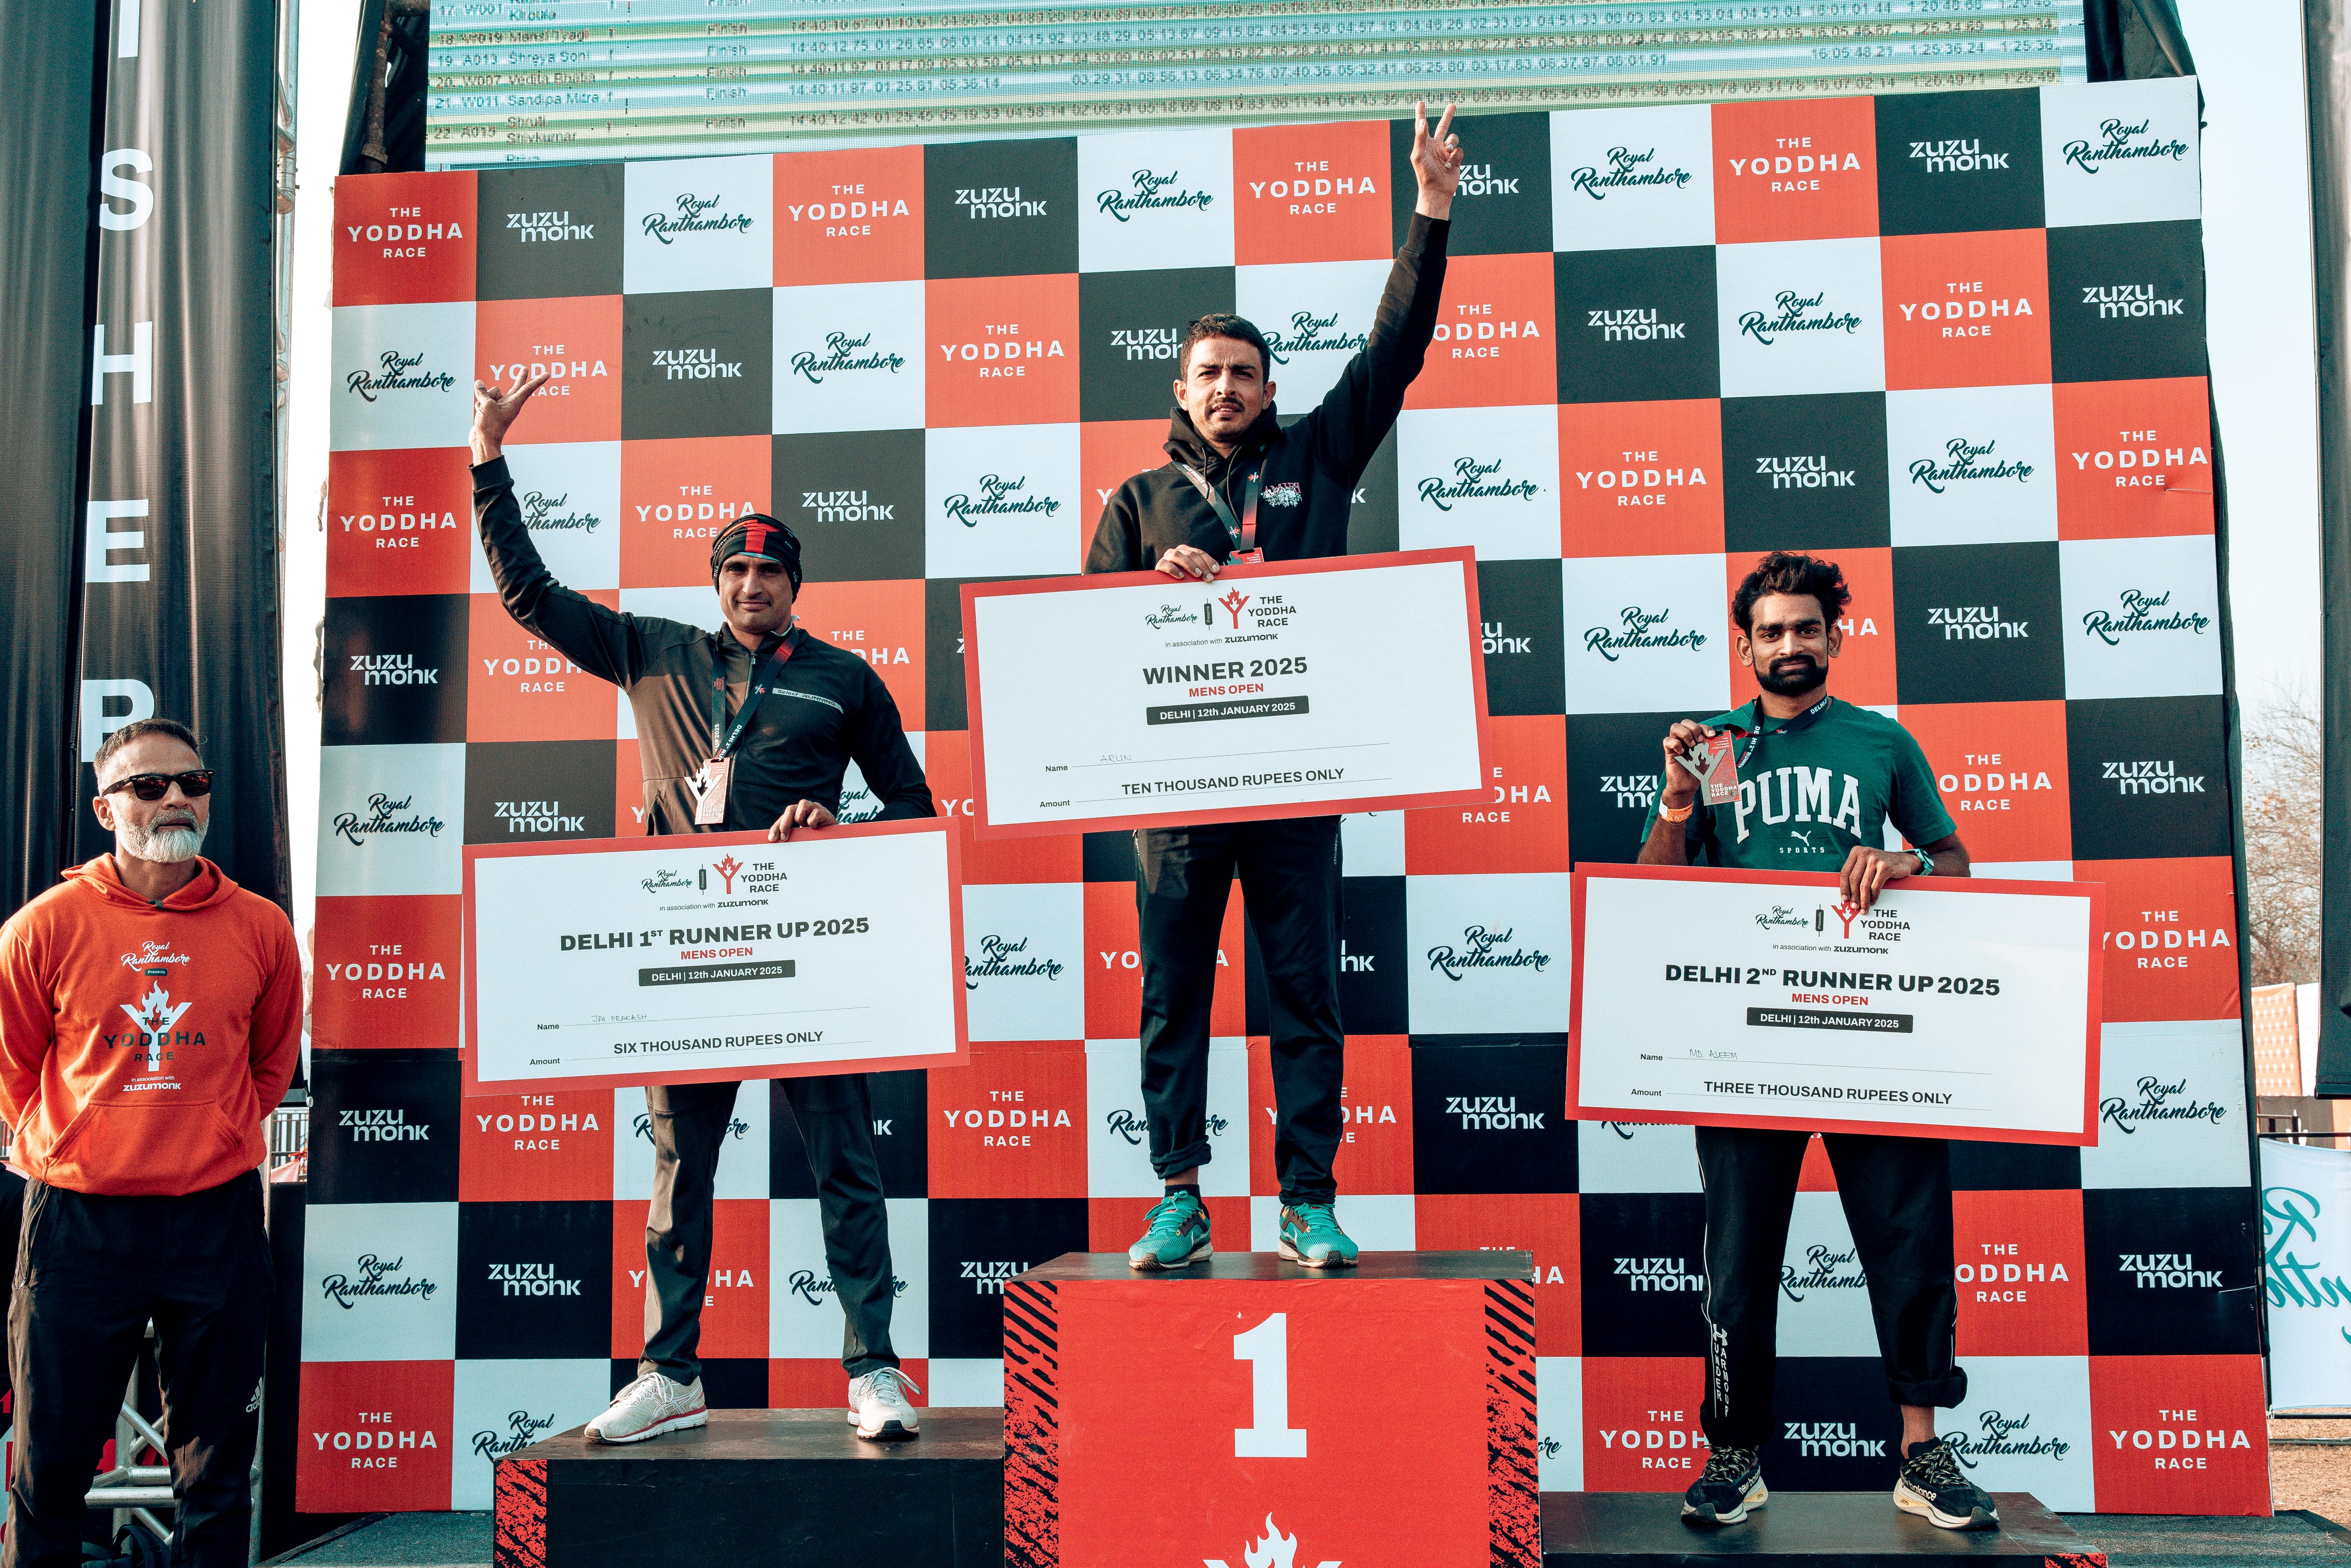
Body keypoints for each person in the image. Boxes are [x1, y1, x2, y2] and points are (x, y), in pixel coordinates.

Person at [469, 374, 931, 1443]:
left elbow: (913, 809)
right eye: (735, 568)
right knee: (681, 1170)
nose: (752, 582)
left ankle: (873, 1369)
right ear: (716, 580)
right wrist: (489, 459)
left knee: (847, 1167)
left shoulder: (846, 679)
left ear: (795, 583)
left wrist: (840, 827)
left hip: (806, 958)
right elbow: (530, 597)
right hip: (685, 956)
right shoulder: (653, 650)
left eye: (770, 569)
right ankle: (671, 1373)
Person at [1085, 103, 1465, 1271]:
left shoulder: (1317, 457)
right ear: (1180, 388)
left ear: (1268, 386)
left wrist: (1431, 210)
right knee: (1172, 998)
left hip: (1296, 780)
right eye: (1208, 374)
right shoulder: (1137, 501)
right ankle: (1179, 1198)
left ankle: (1307, 1200)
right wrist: (1147, 591)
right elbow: (1081, 652)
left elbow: (1394, 351)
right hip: (1177, 794)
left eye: (1244, 374)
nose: (1227, 388)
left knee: (1304, 994)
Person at [1635, 552, 1995, 1532]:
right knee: (1740, 1257)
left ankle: (1922, 1453)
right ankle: (1735, 1452)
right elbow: (1656, 888)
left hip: (1870, 1031)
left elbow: (1957, 862)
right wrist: (1677, 794)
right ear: (1745, 646)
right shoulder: (1713, 750)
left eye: (1806, 627)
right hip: (1747, 1041)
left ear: (1836, 637)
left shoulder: (1880, 739)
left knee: (1910, 1240)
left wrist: (1906, 860)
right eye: (1772, 631)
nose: (1790, 643)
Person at [0, 719, 300, 1568]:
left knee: (216, 1475)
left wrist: (209, 1135)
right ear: (105, 808)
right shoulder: (42, 927)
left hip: (215, 1222)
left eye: (192, 782)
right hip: (79, 1225)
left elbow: (271, 1065)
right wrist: (86, 1144)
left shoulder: (262, 927)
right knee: (50, 1471)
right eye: (148, 785)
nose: (175, 798)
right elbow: (13, 1071)